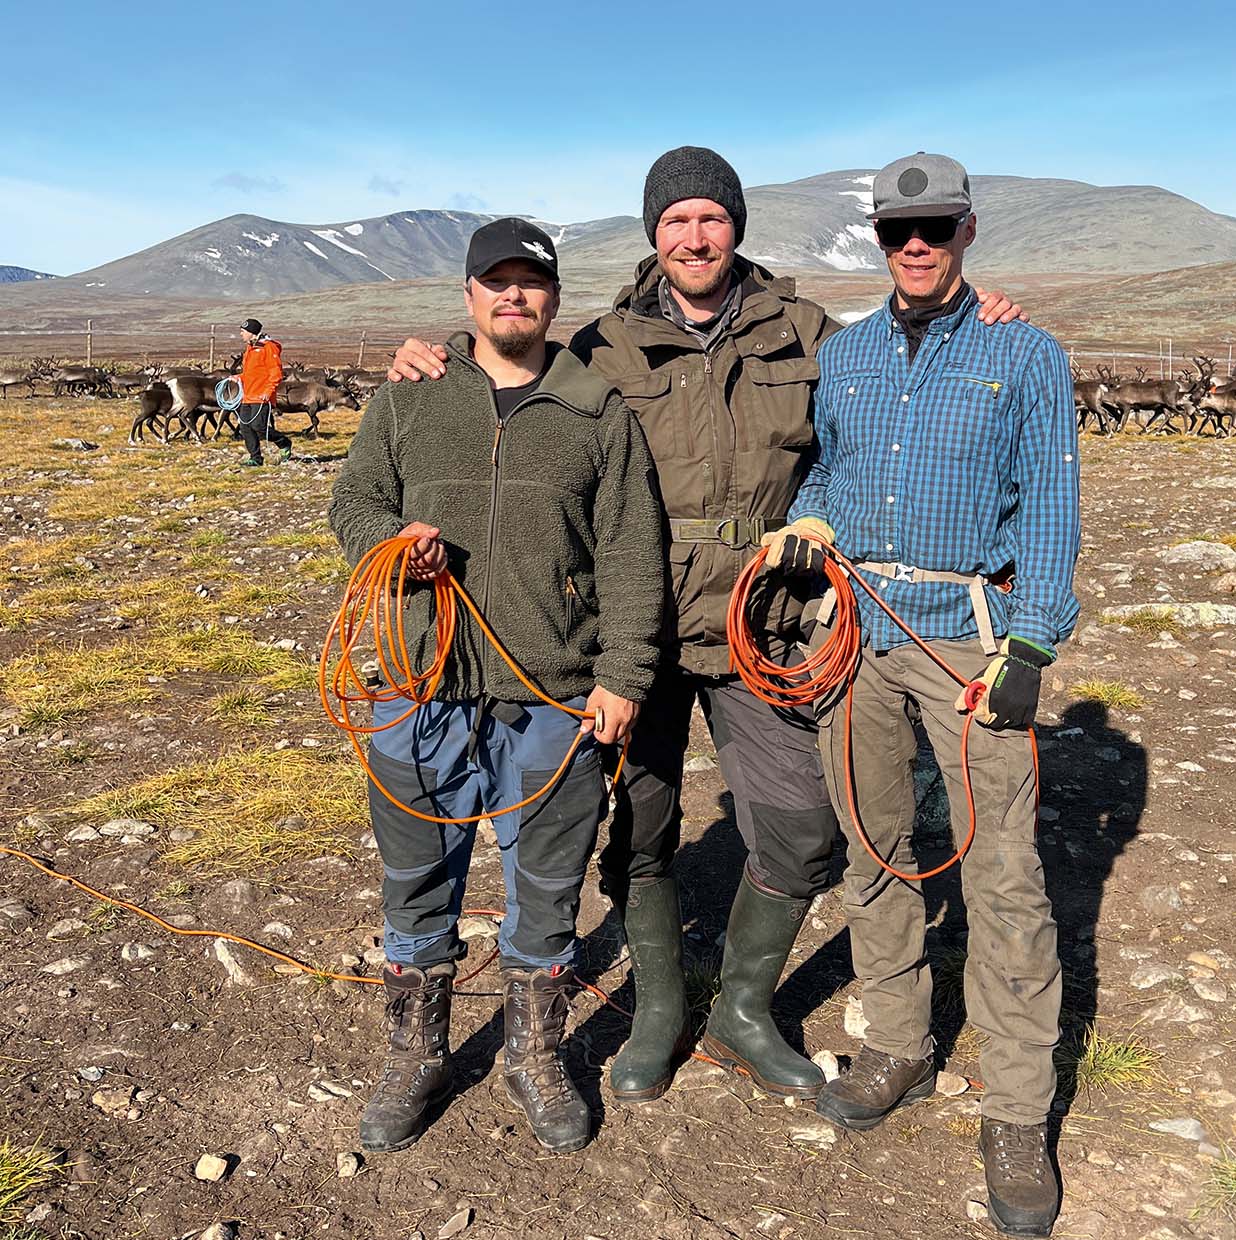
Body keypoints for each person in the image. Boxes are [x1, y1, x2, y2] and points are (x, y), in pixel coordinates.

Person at [385, 147, 1026, 1108]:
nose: (695, 236)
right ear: (654, 235)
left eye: (712, 219)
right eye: (676, 220)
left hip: (759, 623)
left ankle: (740, 1005)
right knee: (636, 827)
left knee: (804, 829)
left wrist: (981, 317)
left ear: (735, 229)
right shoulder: (600, 345)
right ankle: (656, 1009)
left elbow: (892, 389)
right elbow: (506, 366)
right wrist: (430, 349)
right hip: (630, 624)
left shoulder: (806, 332)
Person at [765, 152, 1079, 1237]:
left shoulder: (1023, 353)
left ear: (966, 231)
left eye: (935, 227)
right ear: (876, 234)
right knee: (874, 850)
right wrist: (808, 518)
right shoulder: (844, 356)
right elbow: (827, 471)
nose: (915, 243)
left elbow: (1047, 501)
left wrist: (1034, 637)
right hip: (855, 632)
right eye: (898, 227)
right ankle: (897, 1039)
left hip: (968, 644)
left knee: (1001, 875)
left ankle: (1015, 1109)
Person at [329, 218, 667, 1156]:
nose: (513, 297)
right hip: (418, 688)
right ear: (469, 294)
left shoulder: (596, 410)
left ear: (553, 299)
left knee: (548, 890)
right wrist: (386, 550)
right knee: (413, 885)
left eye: (531, 283)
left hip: (554, 698)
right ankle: (416, 1056)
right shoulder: (409, 399)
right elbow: (353, 500)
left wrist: (623, 677)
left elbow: (634, 555)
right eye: (496, 283)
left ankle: (532, 1055)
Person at [235, 318, 292, 466]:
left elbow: (276, 373)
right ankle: (255, 458)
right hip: (248, 395)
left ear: (251, 332)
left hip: (262, 396)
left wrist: (269, 391)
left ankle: (284, 443)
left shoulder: (268, 347)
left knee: (258, 427)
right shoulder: (250, 348)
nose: (240, 334)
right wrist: (239, 378)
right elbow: (252, 373)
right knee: (245, 427)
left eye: (243, 332)